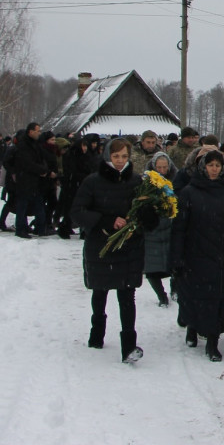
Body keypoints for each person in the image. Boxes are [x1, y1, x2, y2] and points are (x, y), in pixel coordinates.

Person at [72, 137, 157, 364]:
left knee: (127, 295)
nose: (120, 161)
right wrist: (107, 221)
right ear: (108, 156)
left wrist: (147, 216)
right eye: (116, 156)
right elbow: (77, 212)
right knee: (100, 291)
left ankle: (128, 346)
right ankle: (97, 332)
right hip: (101, 246)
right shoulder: (93, 182)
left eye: (124, 157)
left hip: (130, 246)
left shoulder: (138, 181)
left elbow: (148, 216)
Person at [171, 149, 224, 362]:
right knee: (195, 296)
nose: (214, 169)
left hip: (221, 255)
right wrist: (176, 257)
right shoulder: (189, 192)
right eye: (210, 165)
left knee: (218, 299)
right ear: (202, 167)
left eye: (217, 165)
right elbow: (179, 228)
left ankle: (213, 342)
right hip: (194, 254)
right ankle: (192, 328)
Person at [143, 152, 177, 307]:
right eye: (159, 167)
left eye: (164, 167)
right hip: (153, 227)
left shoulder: (175, 180)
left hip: (171, 226)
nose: (162, 170)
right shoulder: (146, 182)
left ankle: (175, 289)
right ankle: (161, 295)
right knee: (152, 266)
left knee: (174, 262)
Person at [13, 122, 56, 238]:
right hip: (26, 179)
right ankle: (20, 228)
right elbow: (27, 163)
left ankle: (41, 228)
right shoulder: (24, 145)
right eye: (38, 131)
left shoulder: (36, 144)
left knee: (39, 204)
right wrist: (43, 171)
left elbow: (41, 158)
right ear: (30, 131)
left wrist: (45, 170)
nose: (39, 133)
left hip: (36, 180)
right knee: (23, 205)